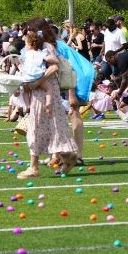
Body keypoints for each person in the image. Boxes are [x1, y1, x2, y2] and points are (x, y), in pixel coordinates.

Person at [17, 29, 78, 179]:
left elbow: (54, 67)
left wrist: (37, 82)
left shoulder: (44, 48)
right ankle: (68, 156)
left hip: (43, 93)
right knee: (50, 127)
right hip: (42, 92)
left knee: (38, 127)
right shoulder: (40, 48)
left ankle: (34, 167)